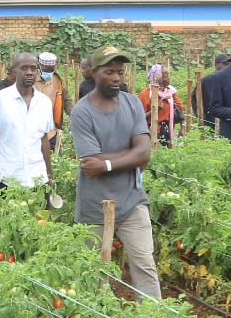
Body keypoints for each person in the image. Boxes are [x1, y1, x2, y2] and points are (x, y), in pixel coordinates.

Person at [70, 45, 159, 298]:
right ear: (94, 73)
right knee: (93, 271)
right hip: (94, 207)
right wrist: (129, 154)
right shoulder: (82, 112)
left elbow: (144, 153)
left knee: (144, 264)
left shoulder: (132, 104)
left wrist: (106, 163)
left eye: (120, 72)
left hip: (132, 201)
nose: (117, 78)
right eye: (110, 72)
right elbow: (90, 163)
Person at [0, 51, 55, 194]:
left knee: (40, 215)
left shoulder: (44, 102)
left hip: (38, 177)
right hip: (8, 177)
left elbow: (44, 140)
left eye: (33, 68)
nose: (29, 73)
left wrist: (49, 174)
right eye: (24, 68)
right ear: (14, 72)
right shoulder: (0, 99)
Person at [137, 64, 181, 148]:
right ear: (158, 78)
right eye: (165, 76)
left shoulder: (171, 92)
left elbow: (180, 109)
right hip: (151, 132)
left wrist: (182, 126)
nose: (169, 78)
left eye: (168, 75)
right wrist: (155, 110)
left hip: (168, 130)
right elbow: (139, 117)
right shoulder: (145, 94)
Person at [35, 51, 67, 155]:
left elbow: (66, 99)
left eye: (51, 70)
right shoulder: (29, 81)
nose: (49, 73)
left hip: (51, 130)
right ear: (39, 66)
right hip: (32, 130)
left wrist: (76, 115)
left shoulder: (56, 80)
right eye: (45, 70)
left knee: (55, 160)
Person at [193, 53, 230, 124]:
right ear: (216, 65)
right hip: (210, 121)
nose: (227, 66)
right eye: (224, 64)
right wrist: (200, 115)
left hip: (227, 121)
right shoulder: (207, 80)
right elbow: (194, 97)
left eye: (229, 64)